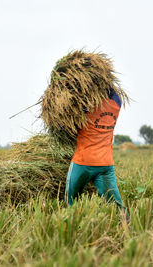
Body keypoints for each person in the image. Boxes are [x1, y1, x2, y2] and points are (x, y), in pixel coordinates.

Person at [65, 87, 129, 222]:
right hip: (106, 164)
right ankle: (127, 227)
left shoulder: (84, 108)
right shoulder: (116, 106)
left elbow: (65, 124)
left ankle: (71, 228)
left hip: (82, 163)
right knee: (116, 203)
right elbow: (114, 93)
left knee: (71, 200)